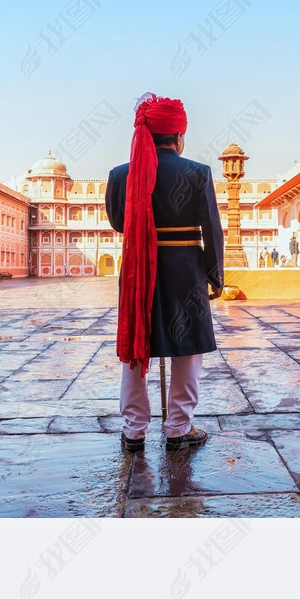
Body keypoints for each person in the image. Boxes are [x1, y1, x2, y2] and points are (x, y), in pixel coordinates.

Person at [105, 95, 224, 454]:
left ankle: (134, 430)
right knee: (187, 350)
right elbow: (212, 229)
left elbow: (117, 223)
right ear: (178, 134)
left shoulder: (119, 175)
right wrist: (215, 275)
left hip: (140, 266)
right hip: (185, 267)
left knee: (135, 347)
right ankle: (178, 428)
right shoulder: (197, 172)